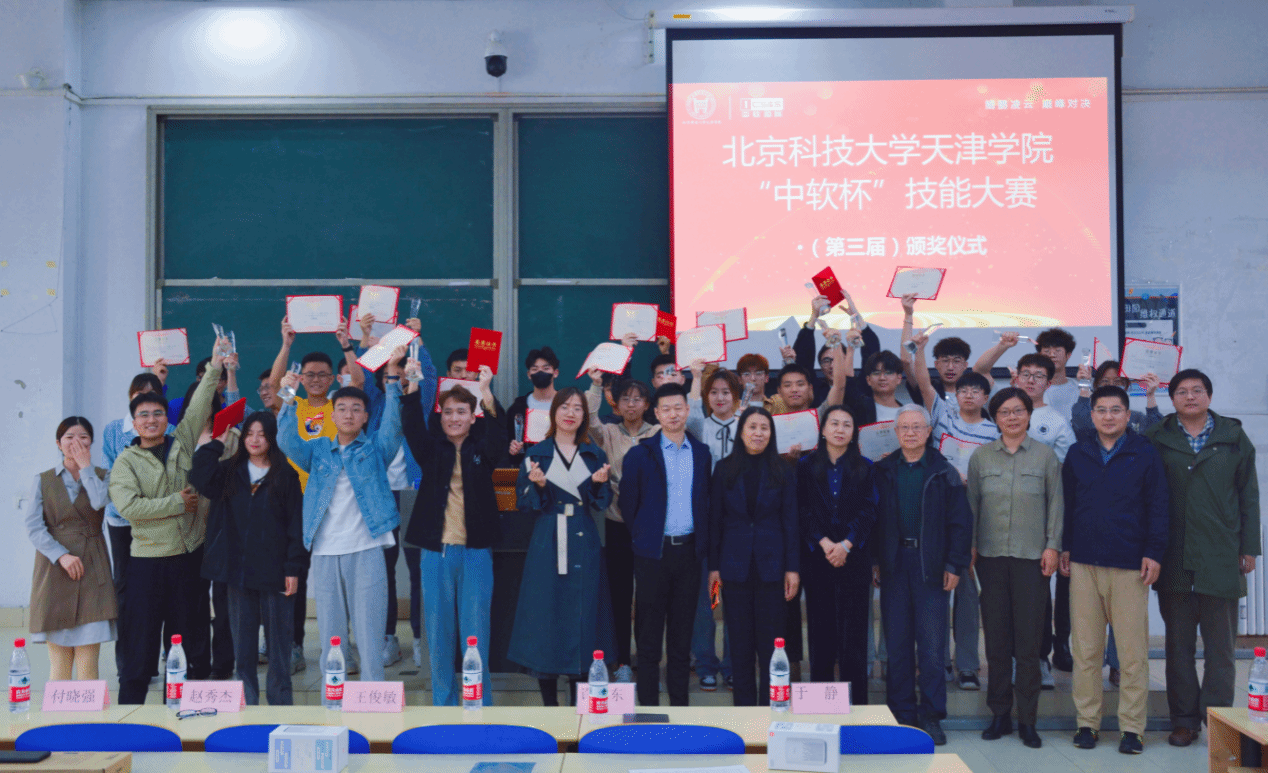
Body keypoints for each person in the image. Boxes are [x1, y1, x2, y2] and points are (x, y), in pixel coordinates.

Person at [276, 345, 408, 684]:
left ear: (365, 417)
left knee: (370, 635)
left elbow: (394, 426)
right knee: (331, 638)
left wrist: (393, 379)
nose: (349, 415)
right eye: (342, 409)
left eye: (356, 409)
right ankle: (331, 703)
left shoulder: (376, 449)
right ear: (332, 417)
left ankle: (372, 703)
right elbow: (287, 440)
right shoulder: (318, 449)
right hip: (325, 550)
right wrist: (288, 395)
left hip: (367, 548)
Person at [1145, 369, 1260, 748]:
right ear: (1172, 398)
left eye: (1197, 390)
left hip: (1220, 555)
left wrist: (1248, 547)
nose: (1190, 397)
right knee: (1178, 648)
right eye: (1182, 391)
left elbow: (1249, 495)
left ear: (1208, 396)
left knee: (1221, 650)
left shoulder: (1233, 437)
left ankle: (1220, 722)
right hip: (1173, 556)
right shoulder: (1157, 437)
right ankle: (1183, 722)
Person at [109, 337, 225, 704]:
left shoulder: (182, 441)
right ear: (134, 423)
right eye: (143, 415)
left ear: (166, 417)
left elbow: (201, 402)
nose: (151, 420)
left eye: (157, 413)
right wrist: (176, 502)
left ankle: (188, 709)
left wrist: (215, 366)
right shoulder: (126, 461)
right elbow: (129, 508)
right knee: (141, 642)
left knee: (189, 639)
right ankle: (131, 712)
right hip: (147, 561)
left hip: (187, 556)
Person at [1060, 385, 1168, 755]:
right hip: (1084, 563)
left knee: (1132, 652)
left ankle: (1132, 729)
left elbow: (1158, 506)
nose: (1108, 416)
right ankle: (1086, 724)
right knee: (1086, 650)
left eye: (1116, 410)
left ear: (1127, 415)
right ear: (1091, 415)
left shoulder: (1144, 452)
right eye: (1102, 410)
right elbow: (1068, 504)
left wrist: (1154, 552)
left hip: (1129, 565)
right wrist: (1066, 546)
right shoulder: (1078, 453)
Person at [870, 404, 972, 744]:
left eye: (917, 427)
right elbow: (874, 520)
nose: (911, 432)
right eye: (905, 427)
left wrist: (954, 564)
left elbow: (960, 524)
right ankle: (901, 714)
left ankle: (931, 716)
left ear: (929, 432)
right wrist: (875, 560)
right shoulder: (883, 470)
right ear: (896, 432)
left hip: (932, 566)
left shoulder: (944, 472)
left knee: (931, 647)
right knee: (897, 645)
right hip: (894, 564)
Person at [967, 388, 1063, 749]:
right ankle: (1000, 714)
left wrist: (1052, 545)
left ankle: (1028, 719)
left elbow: (1056, 504)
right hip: (990, 558)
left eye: (1018, 411)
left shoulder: (1045, 456)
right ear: (995, 418)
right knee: (996, 641)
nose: (1012, 417)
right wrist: (970, 548)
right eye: (1005, 412)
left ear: (1028, 415)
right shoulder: (981, 458)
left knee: (1028, 642)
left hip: (1031, 559)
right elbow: (972, 506)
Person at [403, 368, 504, 706]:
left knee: (476, 634)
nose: (454, 418)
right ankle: (443, 705)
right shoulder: (432, 450)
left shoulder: (482, 450)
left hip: (475, 553)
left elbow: (499, 437)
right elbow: (412, 428)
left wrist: (486, 392)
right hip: (436, 553)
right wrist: (413, 385)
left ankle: (479, 704)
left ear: (473, 417)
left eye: (462, 411)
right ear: (441, 416)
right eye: (448, 412)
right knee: (438, 635)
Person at [509, 387, 615, 706]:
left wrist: (597, 484)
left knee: (584, 614)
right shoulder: (536, 454)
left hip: (583, 537)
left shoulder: (594, 454)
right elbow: (524, 503)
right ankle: (549, 704)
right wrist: (540, 486)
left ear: (585, 416)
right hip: (548, 539)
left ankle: (579, 702)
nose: (570, 413)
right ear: (553, 412)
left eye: (578, 408)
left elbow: (601, 503)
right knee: (547, 614)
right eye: (564, 406)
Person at [904, 331, 998, 691]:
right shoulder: (942, 415)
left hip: (975, 512)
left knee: (968, 591)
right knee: (937, 589)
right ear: (956, 395)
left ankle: (969, 665)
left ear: (985, 396)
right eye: (964, 390)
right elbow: (923, 382)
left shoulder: (994, 430)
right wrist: (920, 349)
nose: (969, 395)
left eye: (976, 391)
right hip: (939, 510)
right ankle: (939, 659)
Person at [268, 316, 362, 673]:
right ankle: (293, 646)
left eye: (323, 374)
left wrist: (346, 344)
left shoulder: (341, 405)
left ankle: (343, 647)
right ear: (302, 378)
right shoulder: (293, 404)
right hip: (292, 503)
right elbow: (275, 385)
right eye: (310, 375)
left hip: (332, 505)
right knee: (293, 578)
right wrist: (286, 345)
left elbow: (358, 382)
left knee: (339, 581)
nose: (317, 380)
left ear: (333, 379)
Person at [190, 411, 304, 705]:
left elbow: (296, 525)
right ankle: (247, 705)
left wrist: (293, 568)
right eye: (249, 433)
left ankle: (281, 705)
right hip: (237, 571)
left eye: (262, 434)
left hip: (275, 572)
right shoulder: (229, 471)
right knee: (243, 645)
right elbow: (199, 476)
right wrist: (216, 443)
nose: (255, 440)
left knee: (279, 645)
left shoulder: (285, 475)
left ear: (272, 438)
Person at [620, 383, 714, 706]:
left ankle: (679, 709)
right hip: (652, 555)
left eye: (678, 408)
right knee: (648, 639)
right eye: (666, 409)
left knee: (681, 638)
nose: (673, 414)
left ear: (687, 410)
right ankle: (648, 709)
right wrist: (644, 537)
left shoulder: (701, 454)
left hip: (689, 554)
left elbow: (705, 502)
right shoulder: (640, 454)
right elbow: (629, 505)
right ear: (656, 414)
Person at [707, 408, 799, 706]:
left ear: (771, 433)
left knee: (771, 645)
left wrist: (793, 568)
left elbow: (791, 521)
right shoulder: (724, 469)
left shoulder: (783, 469)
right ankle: (744, 712)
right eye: (752, 427)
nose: (758, 433)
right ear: (741, 431)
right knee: (740, 644)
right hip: (733, 567)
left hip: (773, 567)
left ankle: (772, 710)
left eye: (764, 427)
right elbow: (715, 520)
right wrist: (713, 568)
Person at [356, 315, 430, 670]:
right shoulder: (375, 401)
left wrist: (417, 340)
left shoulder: (419, 400)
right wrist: (365, 338)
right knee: (381, 570)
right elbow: (363, 375)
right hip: (382, 494)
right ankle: (387, 638)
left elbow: (428, 374)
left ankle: (419, 637)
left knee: (418, 570)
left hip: (414, 493)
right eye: (392, 371)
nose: (398, 376)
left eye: (403, 370)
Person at [798, 404, 878, 707]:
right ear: (822, 429)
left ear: (854, 431)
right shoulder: (805, 466)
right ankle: (820, 709)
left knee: (854, 638)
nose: (840, 429)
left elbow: (870, 510)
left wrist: (845, 544)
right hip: (817, 558)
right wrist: (824, 542)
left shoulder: (866, 467)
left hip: (853, 558)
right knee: (820, 636)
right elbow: (801, 510)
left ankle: (855, 710)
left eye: (847, 424)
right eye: (834, 423)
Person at [24, 417, 116, 681]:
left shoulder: (103, 476)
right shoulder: (42, 480)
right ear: (58, 443)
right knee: (59, 664)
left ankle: (88, 709)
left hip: (92, 565)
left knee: (88, 664)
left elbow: (98, 502)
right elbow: (34, 526)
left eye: (83, 437)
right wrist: (61, 555)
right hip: (54, 568)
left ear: (92, 442)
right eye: (69, 437)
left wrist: (86, 467)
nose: (76, 442)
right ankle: (59, 709)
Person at [585, 366, 659, 685]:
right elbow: (589, 419)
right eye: (625, 399)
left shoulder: (657, 433)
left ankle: (647, 659)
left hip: (649, 528)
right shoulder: (609, 432)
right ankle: (622, 662)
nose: (631, 404)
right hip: (616, 524)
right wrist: (595, 385)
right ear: (616, 403)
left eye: (637, 399)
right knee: (619, 594)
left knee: (648, 597)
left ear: (647, 404)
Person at [101, 371, 171, 676]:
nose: (144, 400)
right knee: (127, 589)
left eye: (152, 393)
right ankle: (129, 661)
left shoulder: (171, 429)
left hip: (159, 520)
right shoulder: (114, 430)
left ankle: (167, 657)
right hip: (122, 520)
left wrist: (153, 507)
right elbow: (110, 473)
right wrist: (131, 506)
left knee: (161, 589)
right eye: (138, 394)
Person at [1012, 352, 1075, 684]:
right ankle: (1012, 657)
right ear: (1016, 377)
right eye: (1026, 373)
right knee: (1010, 593)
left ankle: (1040, 658)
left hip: (1042, 516)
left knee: (1038, 590)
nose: (1031, 380)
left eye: (1038, 375)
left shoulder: (1056, 420)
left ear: (1049, 383)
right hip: (1005, 516)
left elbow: (1066, 470)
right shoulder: (1004, 411)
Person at [1071, 362, 1162, 445]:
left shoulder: (1136, 418)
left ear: (1125, 386)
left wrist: (1150, 395)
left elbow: (1156, 436)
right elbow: (1082, 429)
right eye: (1105, 381)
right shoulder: (1090, 416)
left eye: (1117, 382)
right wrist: (1084, 384)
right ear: (1096, 386)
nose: (1111, 386)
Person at [507, 346, 560, 462]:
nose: (540, 372)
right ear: (529, 374)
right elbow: (506, 441)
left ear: (555, 372)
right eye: (535, 369)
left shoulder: (566, 404)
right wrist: (512, 448)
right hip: (527, 467)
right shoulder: (517, 408)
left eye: (546, 368)